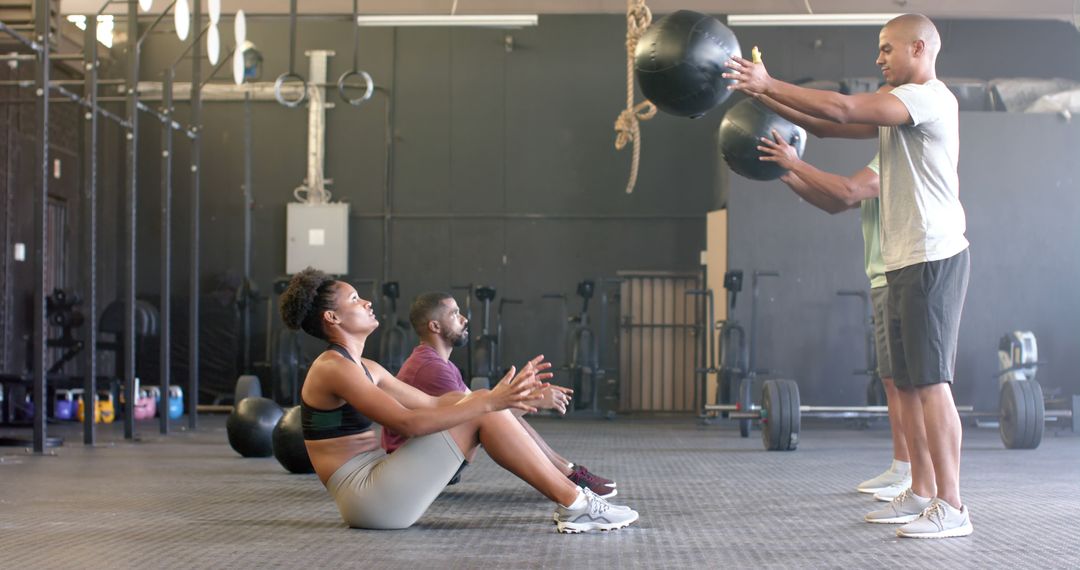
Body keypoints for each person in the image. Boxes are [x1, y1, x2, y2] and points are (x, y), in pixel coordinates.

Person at [725, 13, 972, 538]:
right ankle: (922, 493)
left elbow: (840, 106)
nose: (878, 58)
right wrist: (762, 97)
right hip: (905, 257)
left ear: (920, 49)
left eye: (887, 49)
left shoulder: (929, 98)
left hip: (933, 255)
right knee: (906, 384)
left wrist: (768, 81)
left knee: (931, 384)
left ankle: (953, 505)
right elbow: (825, 123)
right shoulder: (897, 108)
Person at [278, 268, 639, 533]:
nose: (367, 301)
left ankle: (574, 499)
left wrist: (510, 399)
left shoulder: (365, 366)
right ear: (332, 317)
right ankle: (576, 504)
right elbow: (407, 423)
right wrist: (490, 403)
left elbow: (436, 404)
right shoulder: (332, 368)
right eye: (355, 299)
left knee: (474, 401)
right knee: (479, 408)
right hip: (368, 499)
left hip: (376, 490)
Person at [750, 86, 913, 502]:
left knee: (915, 386)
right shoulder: (885, 153)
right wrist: (785, 172)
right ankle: (903, 467)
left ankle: (921, 478)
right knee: (894, 382)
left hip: (905, 273)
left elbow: (847, 191)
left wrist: (796, 161)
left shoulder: (896, 159)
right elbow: (832, 205)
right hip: (882, 275)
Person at [381, 292, 618, 498]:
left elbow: (482, 409)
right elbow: (481, 415)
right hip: (416, 465)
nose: (464, 319)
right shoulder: (431, 367)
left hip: (431, 455)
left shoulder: (441, 364)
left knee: (496, 410)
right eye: (454, 314)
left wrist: (526, 396)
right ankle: (568, 477)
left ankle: (568, 472)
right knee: (492, 411)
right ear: (434, 326)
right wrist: (534, 400)